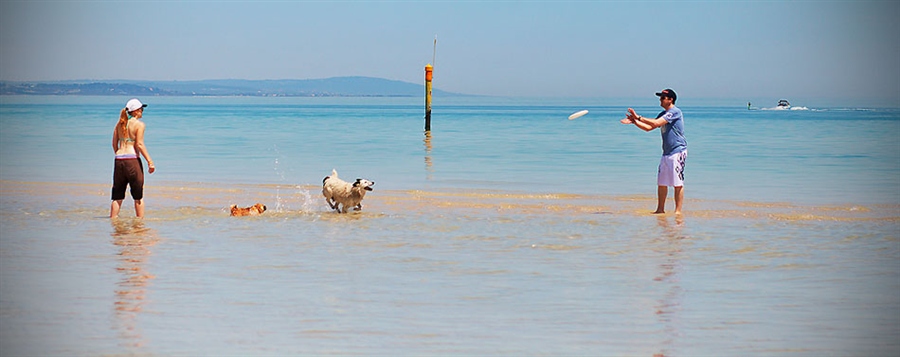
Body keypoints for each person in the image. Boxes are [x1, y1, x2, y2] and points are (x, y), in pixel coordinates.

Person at [621, 89, 687, 214]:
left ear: (670, 99)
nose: (660, 100)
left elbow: (656, 122)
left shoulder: (675, 112)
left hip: (678, 151)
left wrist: (638, 117)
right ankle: (660, 210)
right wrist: (635, 122)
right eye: (660, 97)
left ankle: (677, 211)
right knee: (662, 182)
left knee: (677, 183)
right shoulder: (663, 113)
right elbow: (649, 128)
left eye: (662, 98)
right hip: (666, 152)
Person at [110, 98, 155, 218]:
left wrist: (119, 154)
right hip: (132, 160)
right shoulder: (139, 125)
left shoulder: (120, 124)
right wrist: (150, 162)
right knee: (138, 196)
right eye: (141, 109)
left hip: (119, 160)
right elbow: (139, 144)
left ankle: (113, 221)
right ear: (135, 111)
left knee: (117, 195)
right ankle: (140, 224)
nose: (142, 112)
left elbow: (114, 143)